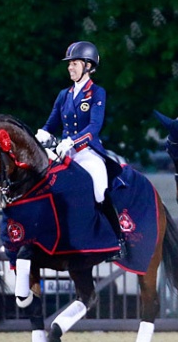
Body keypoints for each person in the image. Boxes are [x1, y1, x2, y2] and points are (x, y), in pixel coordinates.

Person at [35, 41, 125, 259]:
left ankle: (117, 239)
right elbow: (51, 124)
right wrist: (42, 134)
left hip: (87, 152)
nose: (70, 68)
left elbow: (94, 126)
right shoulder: (63, 95)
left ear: (87, 65)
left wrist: (72, 141)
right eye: (69, 64)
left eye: (74, 63)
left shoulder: (96, 92)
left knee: (99, 189)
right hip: (64, 153)